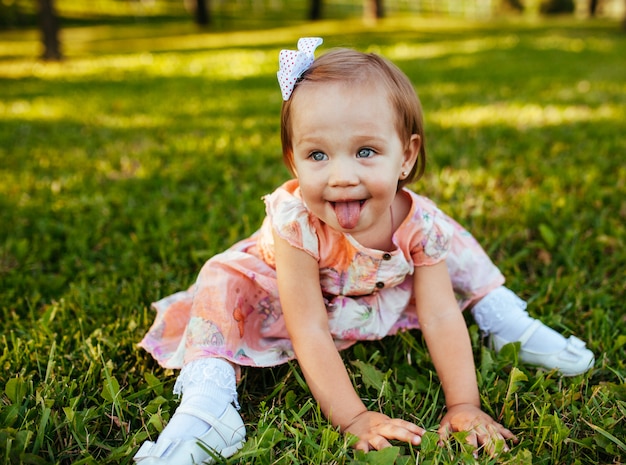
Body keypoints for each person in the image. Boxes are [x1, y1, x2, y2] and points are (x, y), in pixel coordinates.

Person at [132, 38, 594, 464]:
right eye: (317, 156)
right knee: (220, 282)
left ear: (406, 156)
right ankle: (208, 403)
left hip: (372, 288)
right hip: (278, 295)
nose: (341, 176)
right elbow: (308, 327)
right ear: (294, 159)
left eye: (366, 151)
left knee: (444, 234)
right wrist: (353, 418)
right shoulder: (296, 219)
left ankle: (503, 317)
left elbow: (439, 316)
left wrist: (464, 405)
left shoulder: (419, 224)